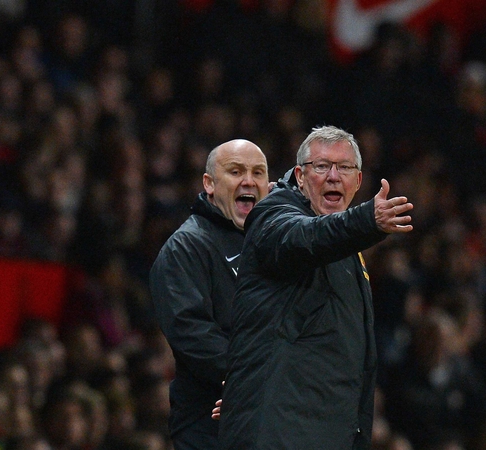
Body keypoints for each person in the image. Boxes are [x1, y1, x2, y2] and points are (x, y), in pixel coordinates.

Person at [216, 126, 413, 449]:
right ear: (300, 176)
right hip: (280, 433)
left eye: (345, 168)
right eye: (321, 166)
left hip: (323, 429)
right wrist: (366, 221)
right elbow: (303, 239)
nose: (333, 176)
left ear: (358, 181)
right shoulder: (274, 214)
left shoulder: (348, 249)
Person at [149, 139, 269, 449]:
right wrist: (252, 375)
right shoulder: (187, 246)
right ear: (209, 183)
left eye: (258, 172)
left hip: (267, 415)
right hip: (210, 424)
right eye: (235, 171)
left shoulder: (271, 243)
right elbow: (190, 330)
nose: (249, 181)